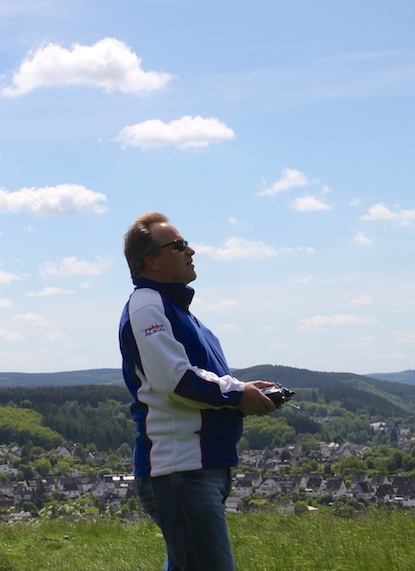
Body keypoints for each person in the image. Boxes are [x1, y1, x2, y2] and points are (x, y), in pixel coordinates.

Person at [118, 211, 276, 571]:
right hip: (182, 472)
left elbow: (200, 379)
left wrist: (243, 390)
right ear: (152, 261)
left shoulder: (178, 311)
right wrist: (239, 393)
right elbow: (176, 380)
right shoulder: (148, 306)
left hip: (200, 469)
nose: (191, 250)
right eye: (179, 245)